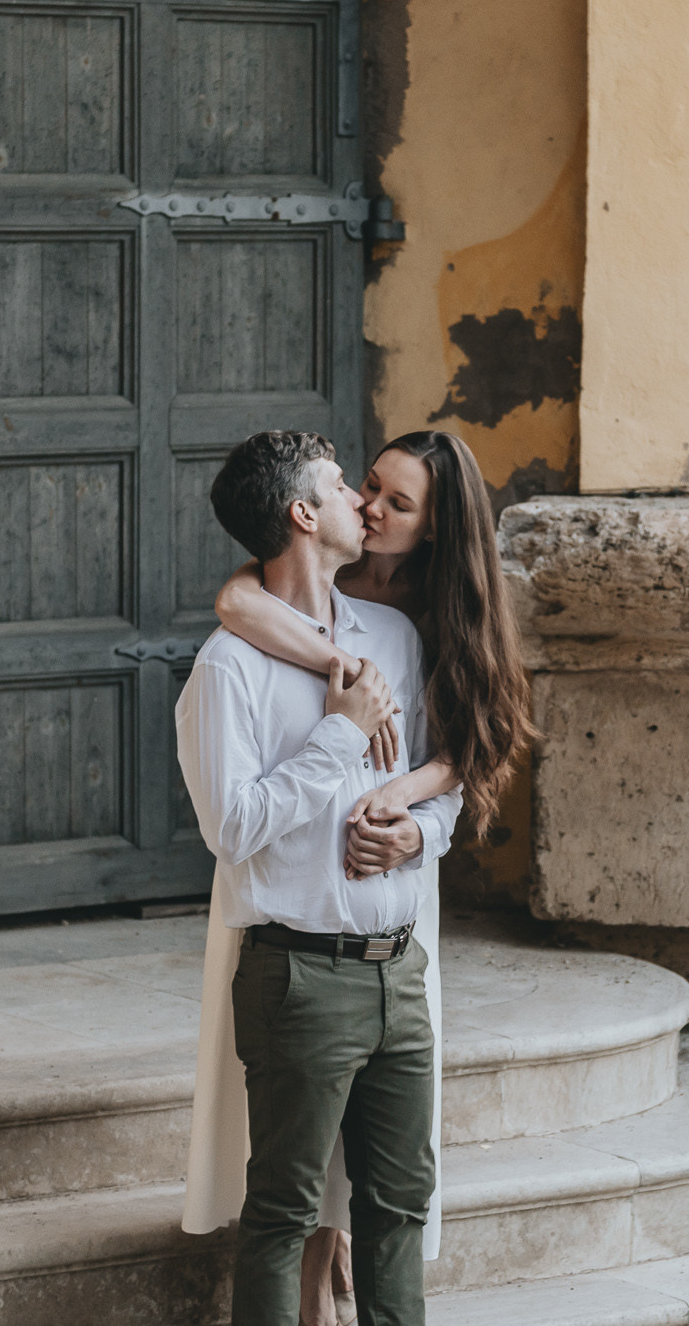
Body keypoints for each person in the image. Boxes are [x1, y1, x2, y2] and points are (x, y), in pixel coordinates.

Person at [199, 430, 535, 1326]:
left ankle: (339, 1275)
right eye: (360, 485)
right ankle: (312, 1288)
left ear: (435, 529)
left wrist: (414, 825)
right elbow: (239, 606)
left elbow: (462, 755)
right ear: (307, 513)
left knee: (395, 1195)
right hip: (298, 947)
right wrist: (340, 698)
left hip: (396, 939)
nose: (369, 503)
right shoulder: (238, 654)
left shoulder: (415, 623)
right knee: (285, 1196)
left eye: (393, 499)